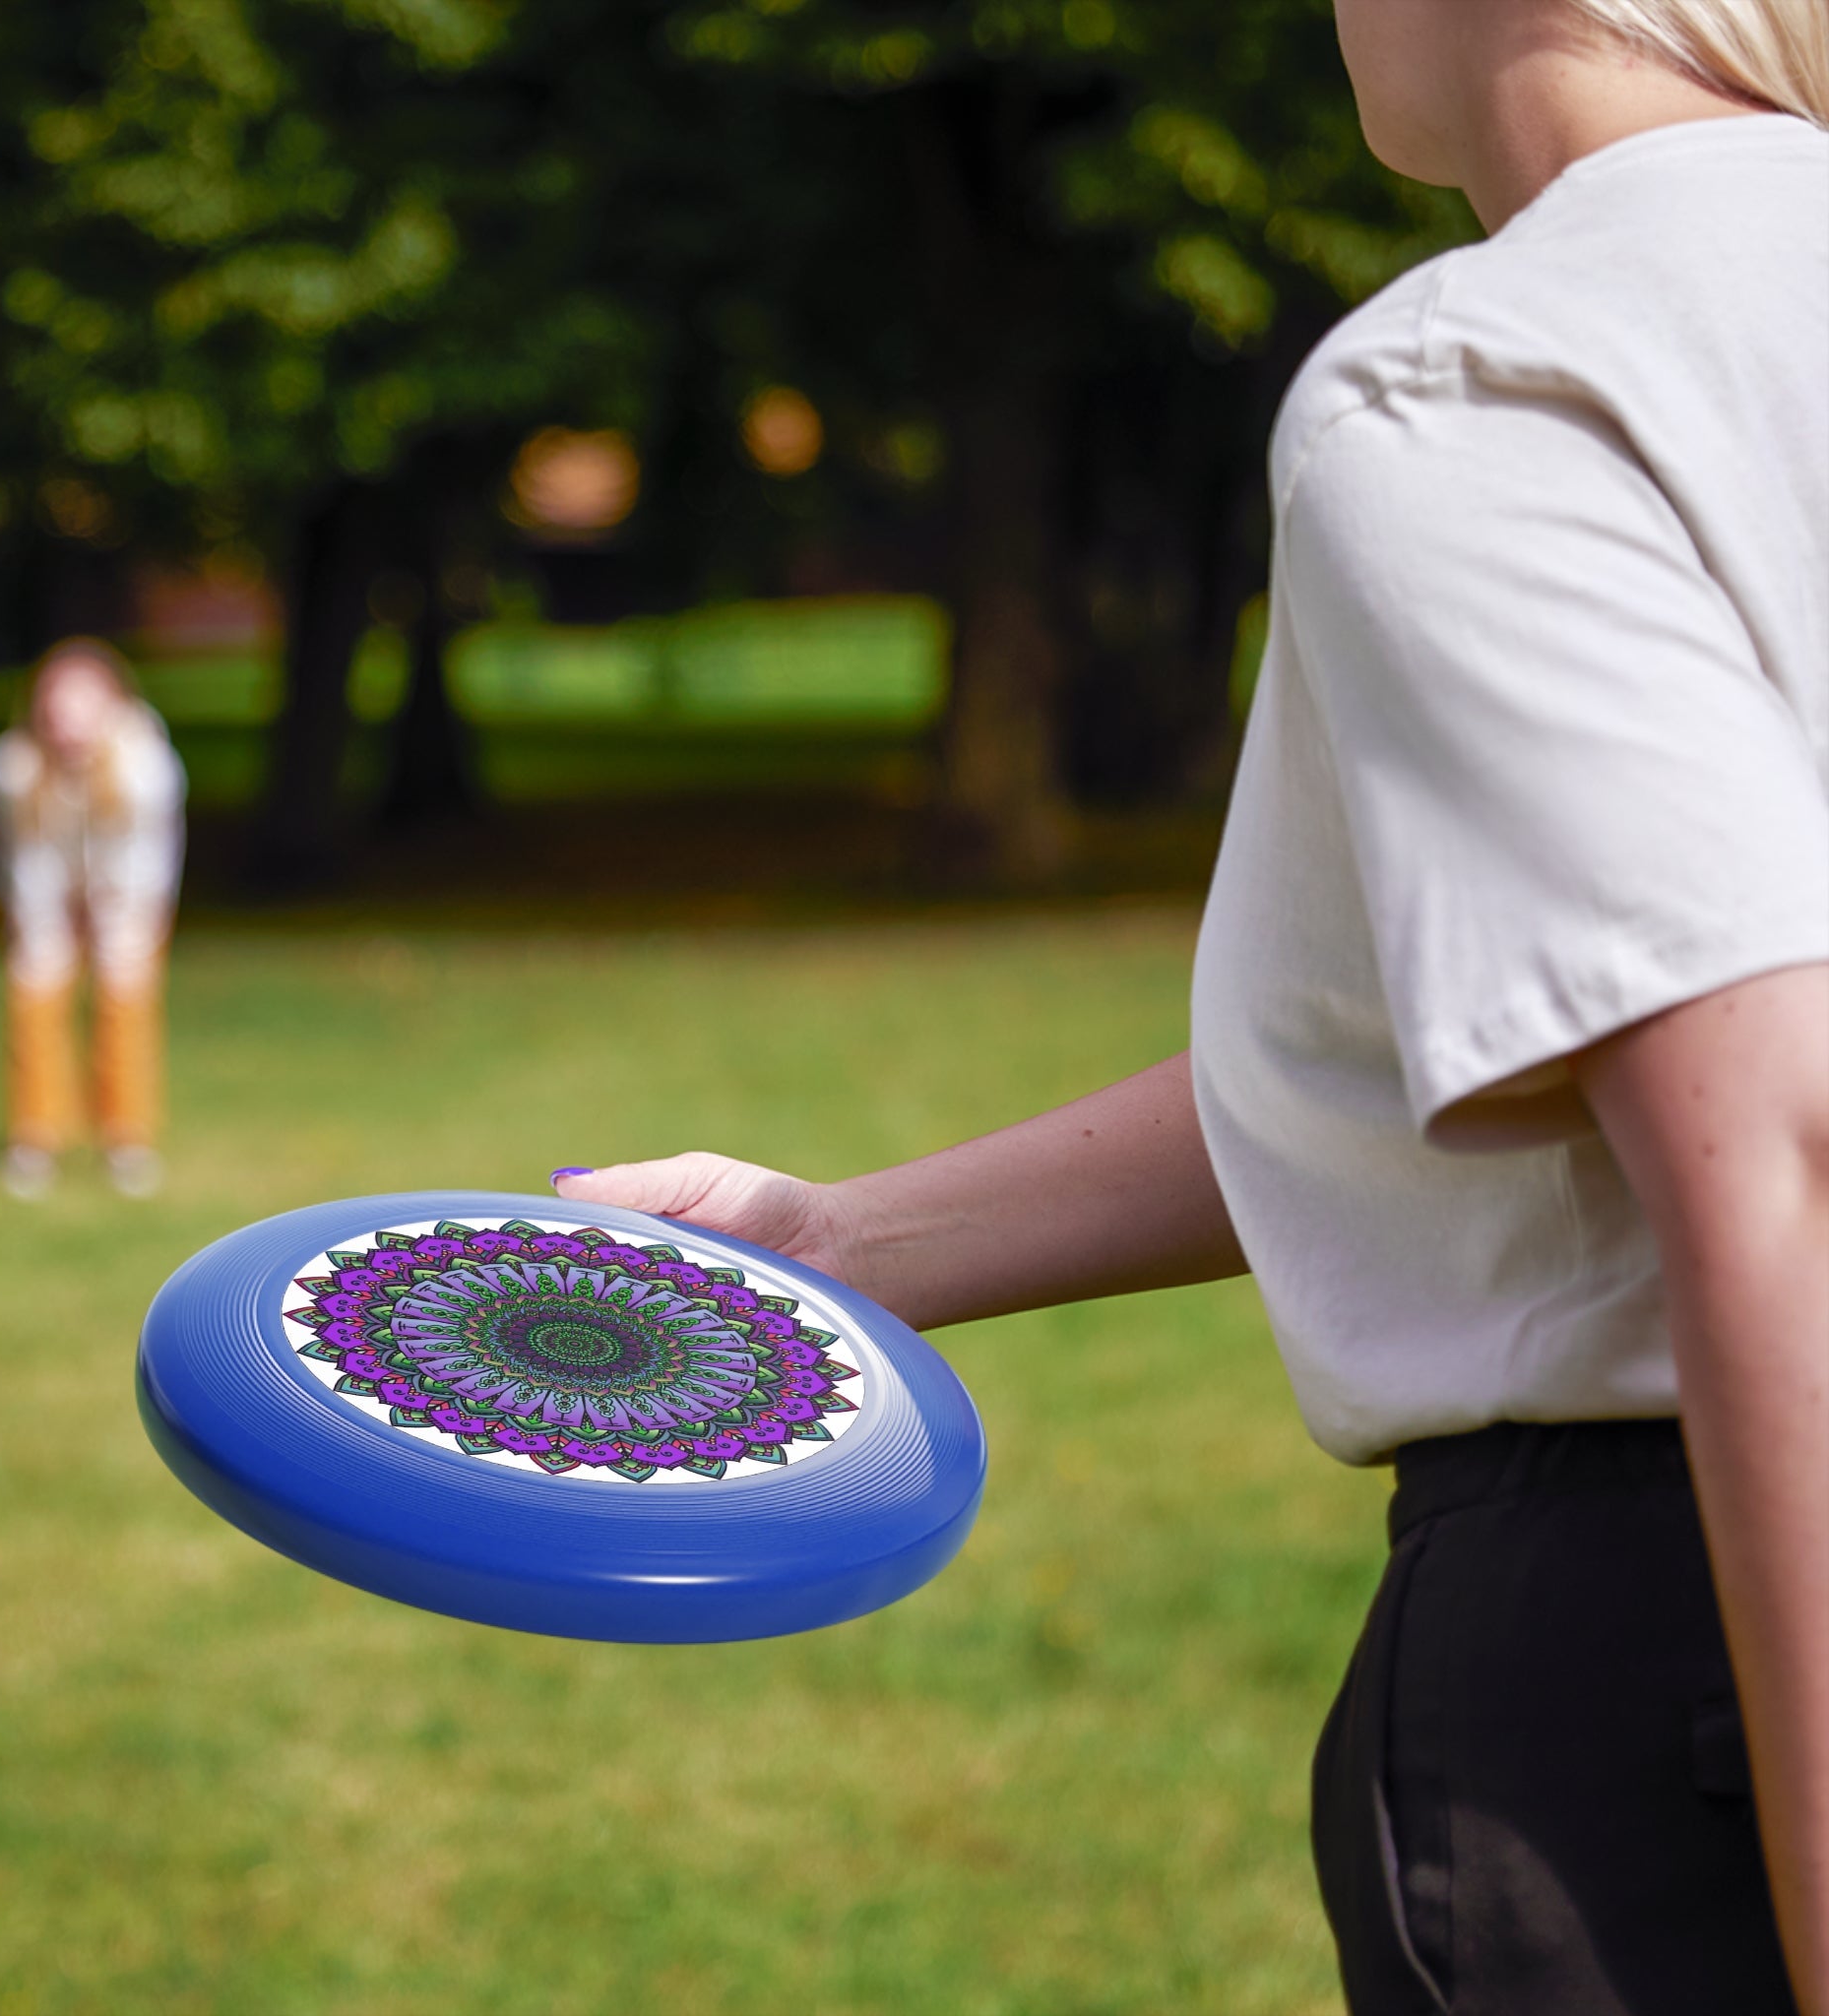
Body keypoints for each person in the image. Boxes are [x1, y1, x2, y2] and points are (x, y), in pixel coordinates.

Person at [549, 2, 1829, 2009]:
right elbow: (1517, 1031)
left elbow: (1780, 1147)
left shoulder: (1490, 377)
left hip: (1685, 1662)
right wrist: (845, 1243)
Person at [0, 638, 186, 1200]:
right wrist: (47, 926)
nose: (68, 721)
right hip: (43, 893)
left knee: (125, 1000)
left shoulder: (146, 765)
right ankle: (34, 1139)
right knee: (34, 993)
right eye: (57, 704)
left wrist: (113, 919)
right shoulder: (12, 767)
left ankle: (127, 1140)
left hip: (128, 895)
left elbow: (144, 860)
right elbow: (26, 859)